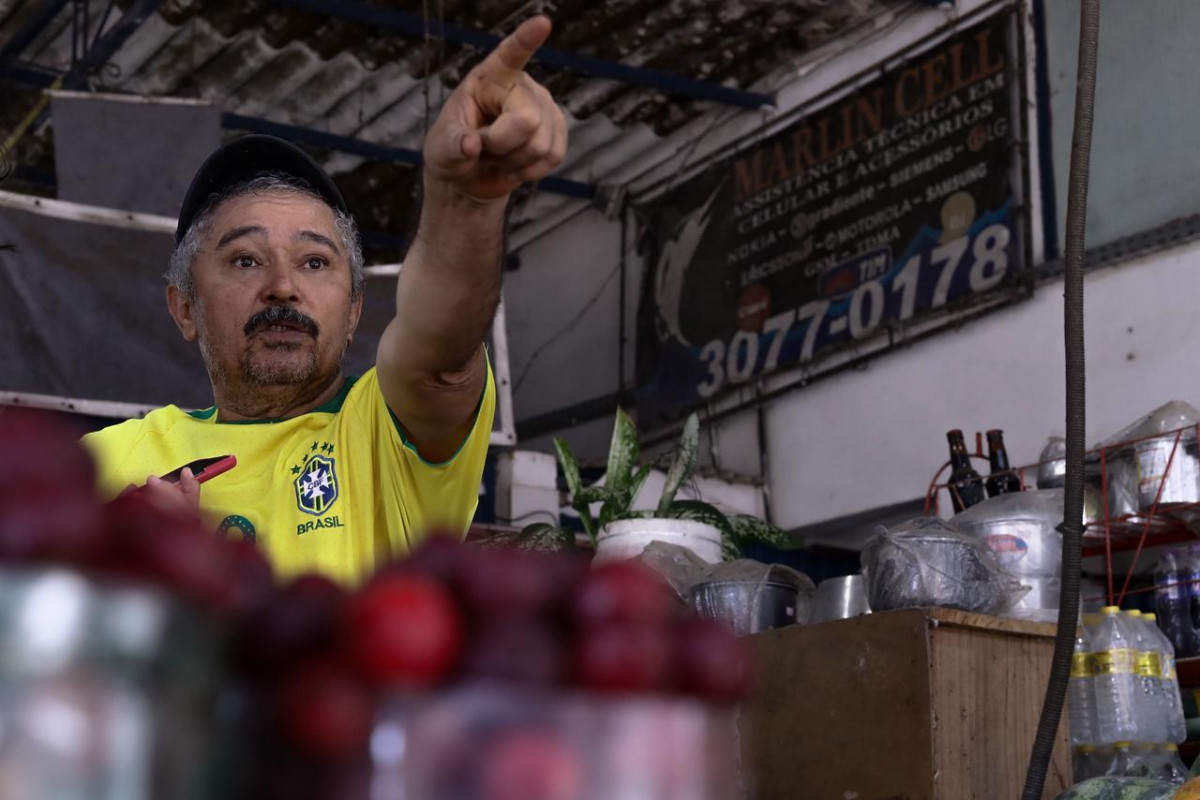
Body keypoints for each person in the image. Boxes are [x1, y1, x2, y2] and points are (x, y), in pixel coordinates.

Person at [82, 17, 567, 584]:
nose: (283, 286)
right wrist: (109, 555)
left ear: (355, 308)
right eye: (245, 260)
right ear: (185, 306)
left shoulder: (383, 437)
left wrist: (467, 201)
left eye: (315, 262)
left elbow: (439, 355)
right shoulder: (105, 464)